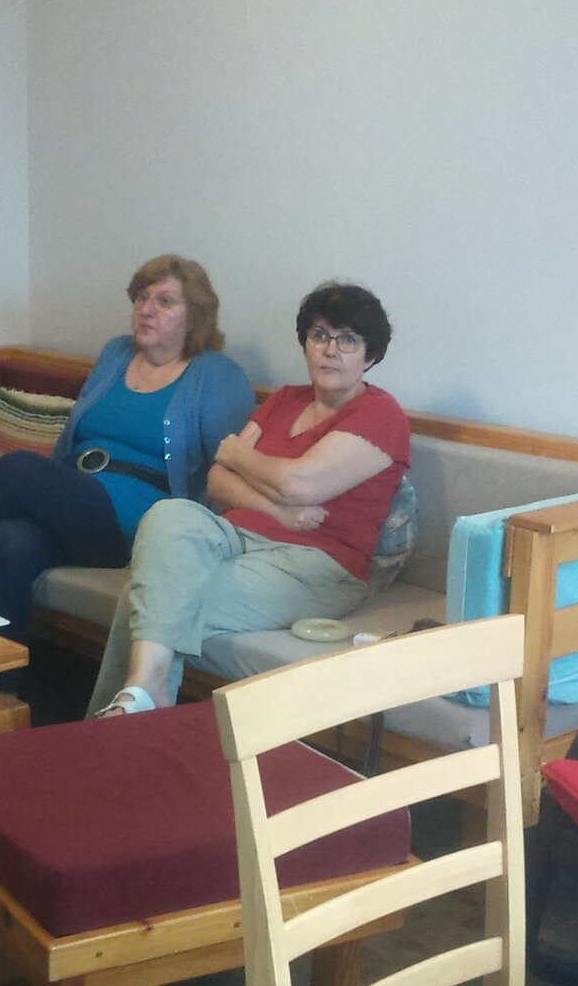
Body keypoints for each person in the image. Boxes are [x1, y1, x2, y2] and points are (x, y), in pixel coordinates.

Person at [90, 282, 411, 715]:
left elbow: (300, 483)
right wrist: (278, 508)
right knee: (169, 513)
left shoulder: (380, 414)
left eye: (348, 339)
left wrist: (239, 454)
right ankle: (144, 703)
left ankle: (130, 709)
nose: (331, 350)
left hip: (316, 565)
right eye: (320, 335)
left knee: (143, 598)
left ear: (370, 356)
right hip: (233, 537)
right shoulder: (284, 400)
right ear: (306, 343)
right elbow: (217, 480)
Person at [0, 254, 253, 645]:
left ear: (196, 315)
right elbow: (73, 440)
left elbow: (228, 469)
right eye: (142, 298)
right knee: (7, 541)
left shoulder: (216, 375)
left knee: (18, 469)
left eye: (164, 301)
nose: (147, 309)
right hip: (78, 502)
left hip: (139, 523)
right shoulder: (116, 354)